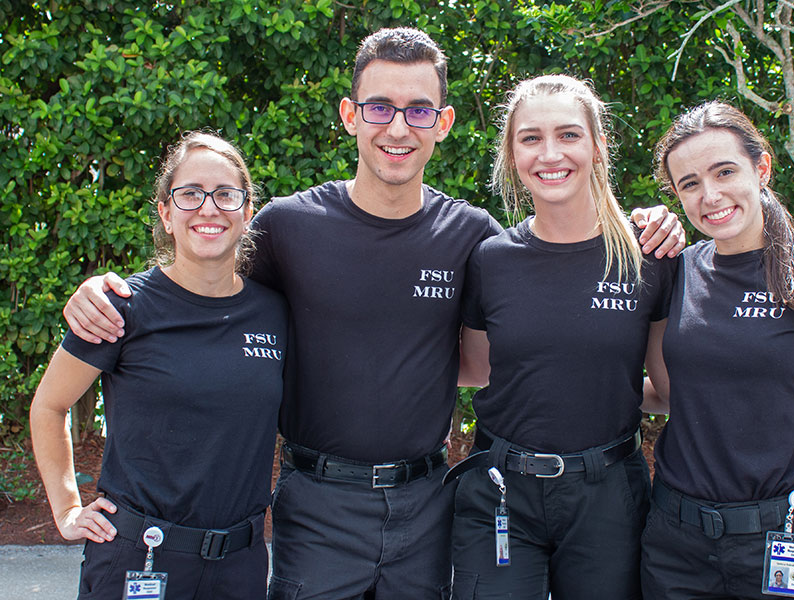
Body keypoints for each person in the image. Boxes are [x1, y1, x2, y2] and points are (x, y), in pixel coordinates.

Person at [59, 29, 684, 599]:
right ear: (350, 115)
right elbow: (201, 272)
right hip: (316, 503)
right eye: (380, 107)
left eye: (418, 110)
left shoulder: (473, 237)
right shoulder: (286, 228)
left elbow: (536, 296)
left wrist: (649, 224)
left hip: (426, 503)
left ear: (442, 123)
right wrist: (112, 290)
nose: (398, 128)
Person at [445, 74, 676, 600]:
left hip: (609, 496)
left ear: (598, 147)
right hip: (500, 493)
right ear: (511, 154)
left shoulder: (649, 258)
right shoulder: (491, 260)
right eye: (530, 138)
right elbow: (483, 371)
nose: (550, 153)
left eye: (569, 135)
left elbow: (671, 392)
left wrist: (782, 399)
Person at [30, 132, 288, 599]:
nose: (209, 208)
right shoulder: (121, 306)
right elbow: (49, 406)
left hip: (240, 567)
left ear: (247, 212)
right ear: (167, 214)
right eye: (190, 194)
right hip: (138, 559)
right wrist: (68, 510)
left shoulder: (275, 313)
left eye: (226, 194)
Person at [640, 101, 794, 600]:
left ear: (760, 167)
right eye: (690, 184)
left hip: (780, 539)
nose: (710, 195)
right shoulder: (675, 272)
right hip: (675, 542)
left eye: (725, 172)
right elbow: (676, 394)